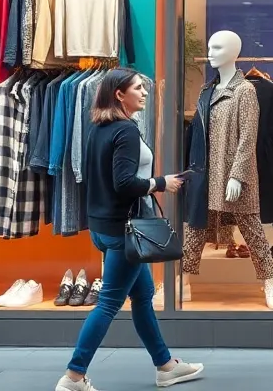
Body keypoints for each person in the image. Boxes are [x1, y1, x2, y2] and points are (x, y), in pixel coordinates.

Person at [57, 69, 205, 391]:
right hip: (124, 230)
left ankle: (165, 366)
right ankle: (74, 376)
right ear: (119, 95)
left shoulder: (99, 128)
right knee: (109, 302)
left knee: (142, 295)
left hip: (103, 227)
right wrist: (161, 183)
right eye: (138, 88)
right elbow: (124, 184)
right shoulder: (124, 130)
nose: (144, 93)